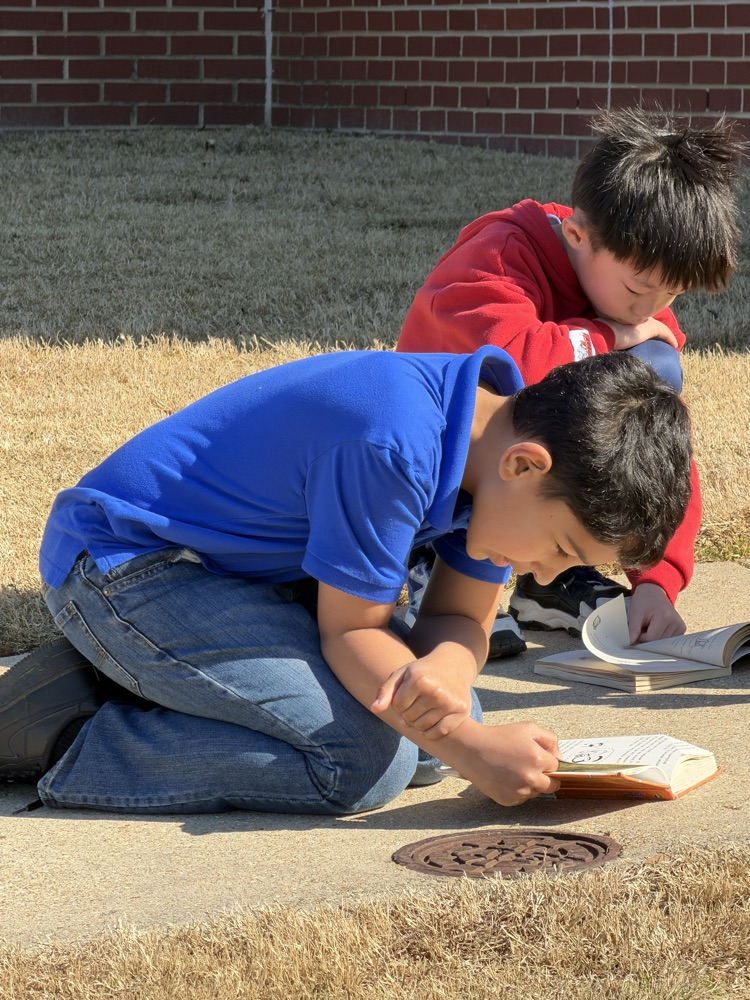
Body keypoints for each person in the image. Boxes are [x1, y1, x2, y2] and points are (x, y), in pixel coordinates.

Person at [2, 347, 692, 815]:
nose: (547, 573)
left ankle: (167, 678)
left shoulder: (492, 454)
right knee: (361, 765)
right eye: (563, 548)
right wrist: (469, 747)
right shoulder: (391, 443)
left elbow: (460, 622)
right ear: (525, 466)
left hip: (253, 581)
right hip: (130, 569)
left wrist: (448, 677)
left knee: (436, 738)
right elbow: (352, 630)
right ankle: (67, 733)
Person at [398, 106, 743, 647]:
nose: (650, 310)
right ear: (578, 236)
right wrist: (609, 338)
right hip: (445, 473)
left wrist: (656, 581)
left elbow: (653, 452)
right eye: (637, 289)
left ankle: (550, 575)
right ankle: (431, 562)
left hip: (536, 479)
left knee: (642, 397)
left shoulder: (634, 312)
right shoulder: (499, 255)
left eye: (671, 295)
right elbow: (516, 363)